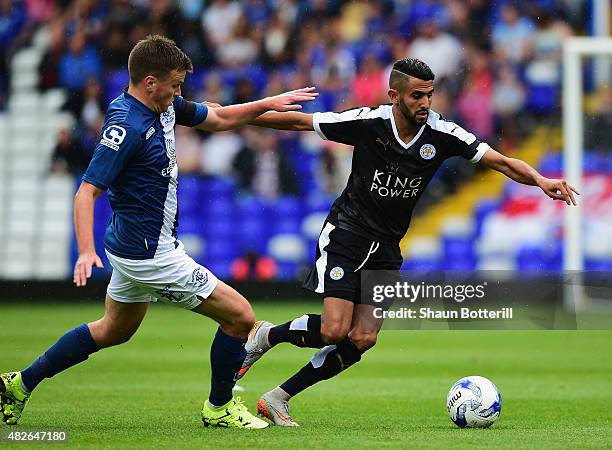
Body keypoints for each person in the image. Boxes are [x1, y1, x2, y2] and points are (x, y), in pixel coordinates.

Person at [238, 58, 579, 426]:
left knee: (364, 337)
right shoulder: (369, 123)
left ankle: (278, 398)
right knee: (334, 330)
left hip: (387, 246)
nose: (426, 104)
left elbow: (501, 162)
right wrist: (229, 115)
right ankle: (266, 335)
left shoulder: (443, 133)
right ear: (394, 95)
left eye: (430, 95)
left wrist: (542, 180)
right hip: (349, 232)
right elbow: (300, 122)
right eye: (417, 96)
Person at [0, 34, 317, 429]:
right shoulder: (126, 126)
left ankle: (19, 383)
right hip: (148, 254)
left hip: (137, 245)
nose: (179, 93)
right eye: (176, 85)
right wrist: (84, 250)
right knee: (239, 316)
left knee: (113, 330)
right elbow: (86, 192)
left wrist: (269, 106)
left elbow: (216, 117)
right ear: (150, 82)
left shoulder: (161, 105)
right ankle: (219, 407)